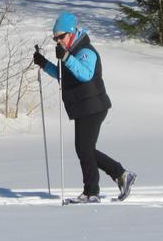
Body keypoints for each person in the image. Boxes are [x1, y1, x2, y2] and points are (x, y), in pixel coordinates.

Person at [33, 12, 136, 203]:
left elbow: (85, 74)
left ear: (71, 33)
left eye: (61, 36)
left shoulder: (86, 51)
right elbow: (63, 76)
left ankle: (92, 191)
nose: (58, 41)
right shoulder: (69, 53)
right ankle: (120, 175)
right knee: (85, 149)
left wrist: (66, 58)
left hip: (93, 106)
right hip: (83, 107)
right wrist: (44, 63)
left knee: (84, 148)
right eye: (55, 38)